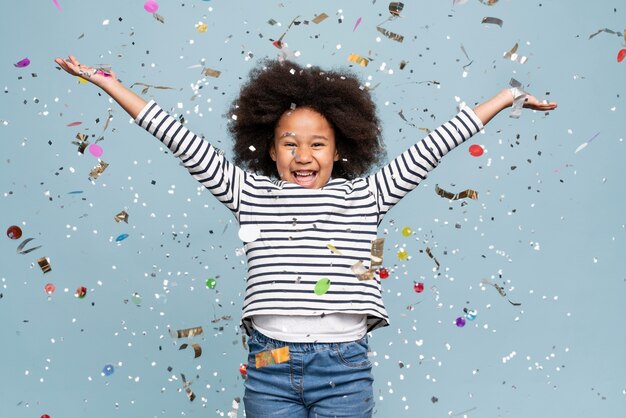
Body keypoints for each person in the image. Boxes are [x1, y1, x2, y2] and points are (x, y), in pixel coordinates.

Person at [54, 55, 557, 418]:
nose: (303, 155)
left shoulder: (369, 194)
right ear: (269, 152)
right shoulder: (246, 190)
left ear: (340, 149)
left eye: (317, 143)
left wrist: (506, 96)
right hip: (269, 362)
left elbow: (434, 146)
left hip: (343, 365)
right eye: (289, 144)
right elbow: (178, 138)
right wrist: (107, 84)